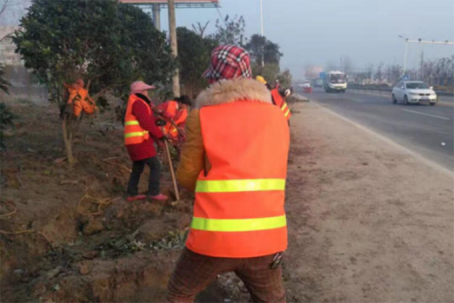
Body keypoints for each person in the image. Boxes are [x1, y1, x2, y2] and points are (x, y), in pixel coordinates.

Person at [167, 45, 290, 302]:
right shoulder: (277, 117)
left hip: (213, 240)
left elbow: (187, 176)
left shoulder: (201, 117)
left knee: (180, 292)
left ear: (214, 80)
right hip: (266, 240)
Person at [124, 81, 168, 202]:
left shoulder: (137, 102)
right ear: (141, 92)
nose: (147, 93)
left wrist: (157, 121)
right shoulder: (139, 103)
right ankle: (154, 192)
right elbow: (146, 122)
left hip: (134, 142)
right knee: (155, 165)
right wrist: (159, 136)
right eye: (146, 90)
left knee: (138, 167)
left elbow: (146, 120)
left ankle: (131, 193)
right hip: (139, 142)